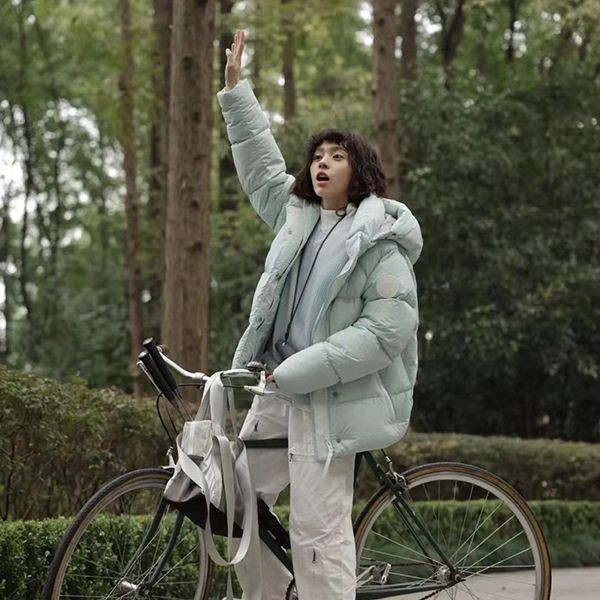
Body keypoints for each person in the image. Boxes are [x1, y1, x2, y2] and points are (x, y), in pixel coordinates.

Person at [217, 30, 422, 600]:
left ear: (360, 171)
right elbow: (261, 168)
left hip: (327, 400)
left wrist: (299, 370)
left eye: (337, 156)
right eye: (317, 156)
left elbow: (386, 331)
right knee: (229, 506)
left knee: (318, 533)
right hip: (277, 387)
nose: (321, 163)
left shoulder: (380, 243)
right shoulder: (298, 218)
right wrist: (235, 91)